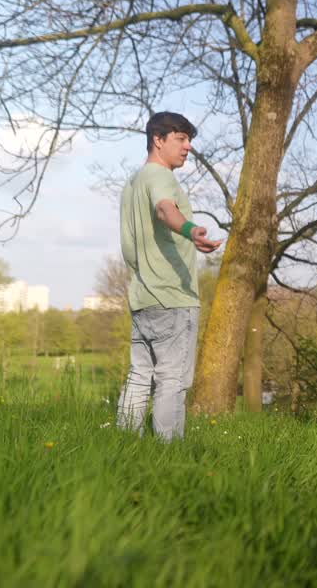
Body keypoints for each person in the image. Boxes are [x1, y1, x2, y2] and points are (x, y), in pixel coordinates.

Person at [116, 111, 222, 441]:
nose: (188, 147)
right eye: (181, 138)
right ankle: (169, 451)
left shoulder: (133, 183)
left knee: (140, 375)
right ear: (158, 140)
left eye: (189, 140)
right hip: (172, 297)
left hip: (143, 296)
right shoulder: (161, 177)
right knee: (172, 379)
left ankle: (125, 443)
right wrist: (190, 230)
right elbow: (166, 209)